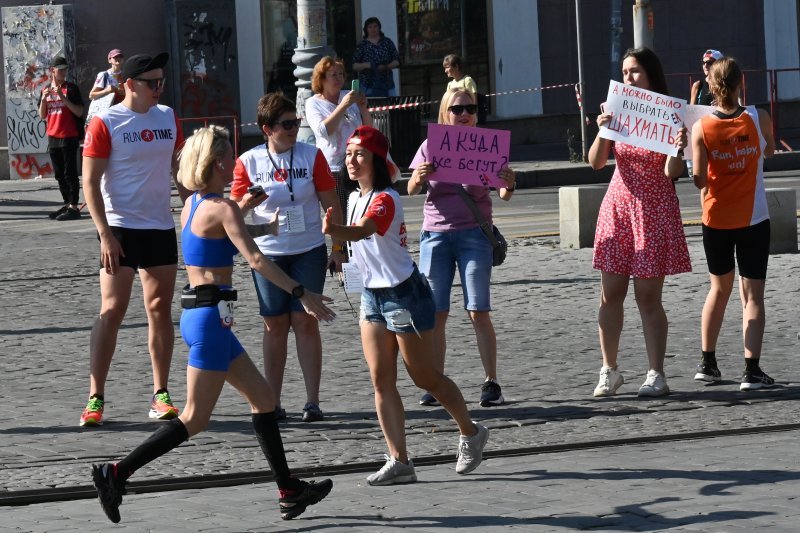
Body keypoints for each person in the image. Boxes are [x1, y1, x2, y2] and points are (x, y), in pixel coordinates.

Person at [90, 125, 335, 524]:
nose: (232, 166)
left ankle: (289, 490)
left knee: (264, 401)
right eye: (227, 159)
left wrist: (261, 225)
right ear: (215, 162)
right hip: (210, 320)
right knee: (193, 418)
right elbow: (255, 259)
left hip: (204, 316)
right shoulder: (223, 207)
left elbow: (225, 236)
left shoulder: (193, 206)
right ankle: (115, 473)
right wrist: (300, 293)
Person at [322, 125, 489, 485]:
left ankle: (471, 432)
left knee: (424, 377)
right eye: (349, 153)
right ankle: (400, 461)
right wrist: (338, 252)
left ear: (377, 160)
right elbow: (353, 241)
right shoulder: (353, 197)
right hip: (372, 295)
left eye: (359, 154)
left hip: (404, 294)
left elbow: (363, 231)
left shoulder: (386, 199)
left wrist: (335, 233)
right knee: (380, 379)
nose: (351, 160)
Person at [80, 53, 189, 427]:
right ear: (129, 84)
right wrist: (105, 234)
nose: (159, 88)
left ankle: (161, 394)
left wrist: (193, 207)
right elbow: (90, 183)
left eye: (161, 81)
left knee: (159, 309)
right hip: (120, 228)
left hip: (159, 226)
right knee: (111, 311)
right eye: (151, 83)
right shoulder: (105, 121)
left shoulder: (167, 116)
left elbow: (178, 168)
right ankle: (96, 397)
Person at [230, 93, 345, 423]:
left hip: (308, 249)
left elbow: (331, 204)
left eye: (295, 123)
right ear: (267, 129)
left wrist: (337, 249)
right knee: (274, 325)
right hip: (268, 255)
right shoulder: (248, 161)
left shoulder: (312, 156)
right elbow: (232, 213)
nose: (294, 128)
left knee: (305, 321)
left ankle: (312, 401)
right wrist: (247, 204)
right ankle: (273, 402)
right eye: (286, 124)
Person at [588, 47, 691, 398]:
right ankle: (609, 370)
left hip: (654, 208)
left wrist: (678, 148)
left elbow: (671, 172)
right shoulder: (615, 109)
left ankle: (656, 373)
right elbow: (595, 163)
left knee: (648, 296)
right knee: (610, 294)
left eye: (635, 71)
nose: (629, 77)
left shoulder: (667, 114)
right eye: (625, 71)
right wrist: (603, 131)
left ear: (650, 75)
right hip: (618, 204)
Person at [408, 88, 517, 408]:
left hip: (474, 236)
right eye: (457, 109)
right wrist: (418, 176)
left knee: (478, 310)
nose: (464, 113)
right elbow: (412, 189)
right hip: (436, 235)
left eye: (471, 107)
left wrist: (509, 182)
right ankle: (434, 381)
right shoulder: (430, 146)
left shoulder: (487, 147)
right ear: (445, 113)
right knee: (436, 313)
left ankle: (491, 382)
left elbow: (504, 194)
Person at [690, 57, 777, 391]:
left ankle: (707, 362)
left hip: (715, 219)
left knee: (718, 289)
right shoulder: (758, 117)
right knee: (753, 295)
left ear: (711, 87)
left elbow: (698, 180)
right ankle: (751, 370)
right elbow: (768, 152)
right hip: (753, 218)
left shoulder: (702, 127)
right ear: (742, 83)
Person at [306, 56, 373, 217]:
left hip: (358, 162)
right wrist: (343, 106)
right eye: (333, 74)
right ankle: (343, 243)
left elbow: (367, 128)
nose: (339, 78)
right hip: (334, 167)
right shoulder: (313, 103)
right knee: (341, 213)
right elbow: (323, 130)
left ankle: (359, 242)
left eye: (341, 74)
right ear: (321, 78)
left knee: (362, 212)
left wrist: (363, 109)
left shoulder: (348, 95)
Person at [38, 56, 84, 221]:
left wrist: (62, 97)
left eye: (65, 69)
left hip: (69, 136)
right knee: (59, 174)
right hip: (53, 136)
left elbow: (79, 111)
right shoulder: (46, 89)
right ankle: (66, 204)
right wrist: (44, 99)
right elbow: (42, 115)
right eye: (60, 69)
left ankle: (74, 207)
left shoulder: (71, 88)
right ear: (53, 70)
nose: (63, 72)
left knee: (70, 172)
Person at [352, 17, 400, 98]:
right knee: (370, 108)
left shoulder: (387, 42)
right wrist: (367, 65)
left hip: (387, 84)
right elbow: (354, 66)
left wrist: (386, 67)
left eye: (375, 26)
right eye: (370, 27)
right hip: (367, 85)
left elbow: (397, 60)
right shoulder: (362, 45)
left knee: (391, 107)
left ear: (379, 27)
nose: (373, 29)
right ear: (366, 29)